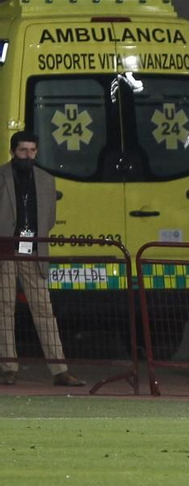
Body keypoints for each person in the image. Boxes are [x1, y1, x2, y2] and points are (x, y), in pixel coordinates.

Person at [0, 131, 83, 387]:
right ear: (13, 151)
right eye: (23, 150)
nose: (28, 155)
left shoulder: (47, 179)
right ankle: (8, 367)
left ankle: (60, 370)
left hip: (34, 250)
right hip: (5, 250)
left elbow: (50, 218)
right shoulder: (2, 176)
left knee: (44, 311)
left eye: (32, 150)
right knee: (3, 310)